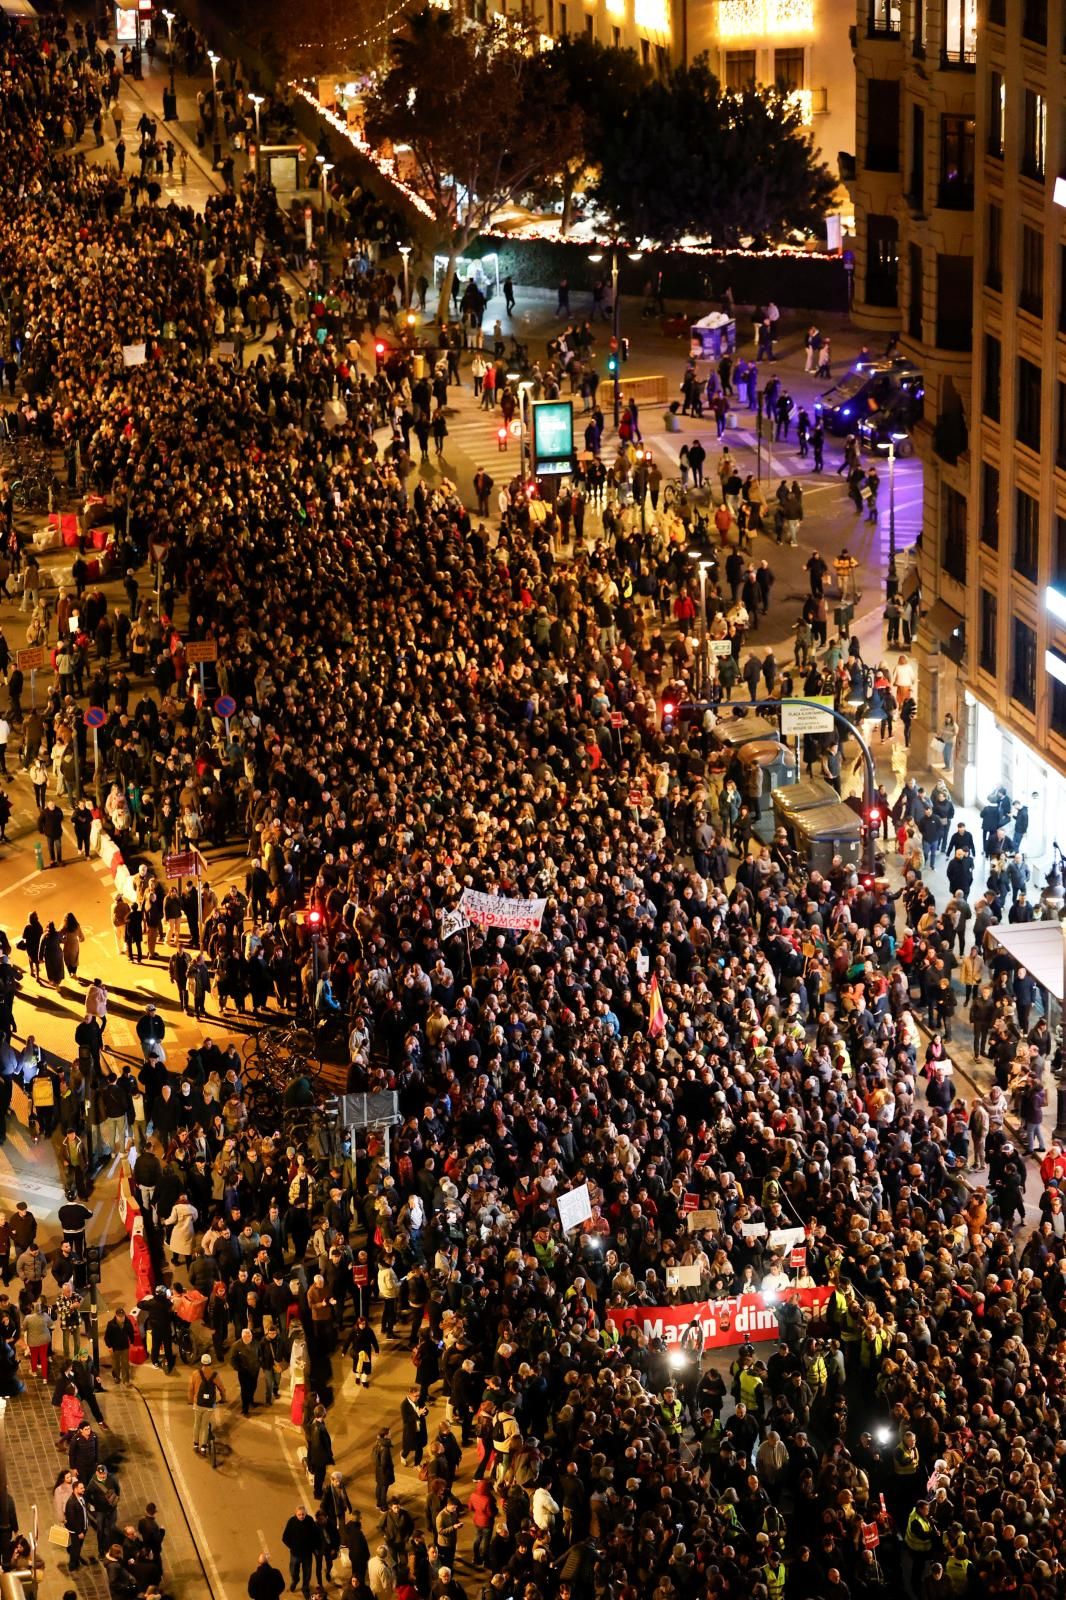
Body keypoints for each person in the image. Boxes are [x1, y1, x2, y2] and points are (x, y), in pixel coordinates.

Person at [188, 1353, 225, 1454]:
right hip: (209, 1405)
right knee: (205, 1426)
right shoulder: (215, 1374)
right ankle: (204, 1447)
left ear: (201, 1362)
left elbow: (191, 1388)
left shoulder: (195, 1373)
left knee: (197, 1424)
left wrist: (191, 1401)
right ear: (210, 1362)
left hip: (198, 1403)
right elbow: (222, 1388)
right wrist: (223, 1398)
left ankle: (196, 1444)